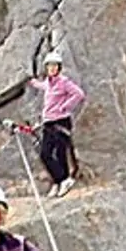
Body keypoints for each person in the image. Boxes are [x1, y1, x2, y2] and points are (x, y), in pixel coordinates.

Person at [30, 54, 85, 195]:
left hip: (61, 121)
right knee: (46, 153)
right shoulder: (49, 83)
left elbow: (79, 94)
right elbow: (42, 86)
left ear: (59, 68)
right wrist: (32, 82)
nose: (52, 68)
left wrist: (65, 107)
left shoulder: (64, 82)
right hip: (48, 121)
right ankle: (60, 180)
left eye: (55, 66)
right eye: (49, 66)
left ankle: (62, 180)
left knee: (58, 153)